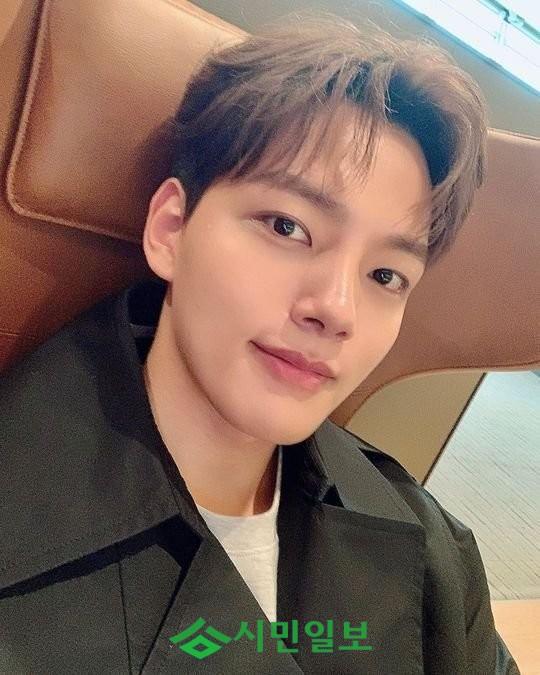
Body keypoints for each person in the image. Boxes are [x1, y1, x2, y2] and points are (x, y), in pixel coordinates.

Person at [0, 13, 520, 674]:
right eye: (286, 227)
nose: (337, 309)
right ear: (171, 229)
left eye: (386, 275)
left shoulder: (433, 550)